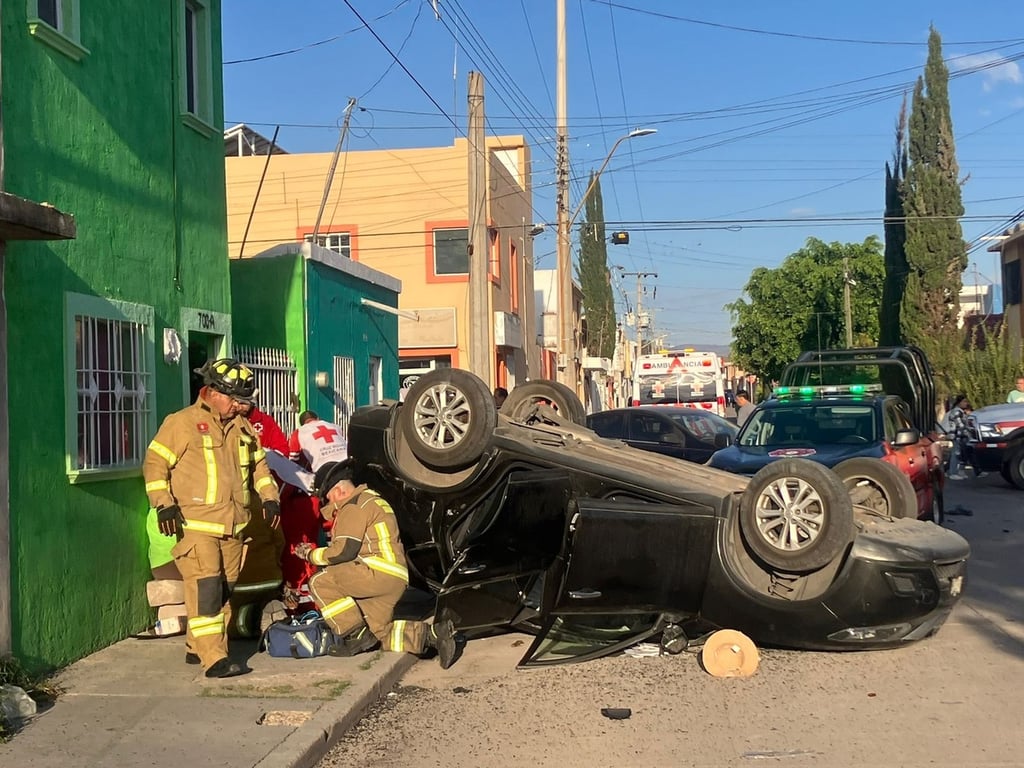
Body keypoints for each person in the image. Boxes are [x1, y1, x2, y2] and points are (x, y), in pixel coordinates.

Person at [143, 358, 281, 679]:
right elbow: (155, 465)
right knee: (205, 589)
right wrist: (163, 503)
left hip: (234, 527)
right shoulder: (181, 423)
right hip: (196, 527)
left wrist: (270, 498)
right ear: (213, 392)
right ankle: (214, 658)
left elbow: (260, 467)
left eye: (244, 401)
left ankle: (196, 645)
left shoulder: (242, 428)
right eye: (235, 400)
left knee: (223, 591)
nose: (240, 407)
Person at [294, 459, 459, 668]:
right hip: (392, 577)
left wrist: (310, 554)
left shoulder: (353, 506)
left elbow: (344, 551)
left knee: (320, 581)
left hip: (376, 573)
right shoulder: (372, 499)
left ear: (337, 492)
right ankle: (435, 636)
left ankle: (355, 635)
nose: (328, 507)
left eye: (326, 499)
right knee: (379, 633)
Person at [945, 395, 971, 480]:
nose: (966, 403)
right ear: (959, 402)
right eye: (964, 401)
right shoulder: (957, 412)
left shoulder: (961, 412)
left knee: (959, 453)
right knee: (956, 454)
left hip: (960, 435)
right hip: (957, 435)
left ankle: (947, 470)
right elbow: (960, 425)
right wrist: (968, 432)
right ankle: (953, 473)